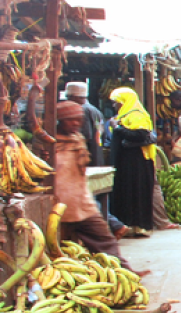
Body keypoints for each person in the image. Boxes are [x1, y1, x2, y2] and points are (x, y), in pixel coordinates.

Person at [54, 101, 146, 274]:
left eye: (78, 120)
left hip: (81, 202)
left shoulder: (77, 139)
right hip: (59, 205)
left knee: (105, 241)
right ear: (60, 121)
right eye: (70, 120)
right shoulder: (50, 144)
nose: (75, 124)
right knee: (60, 248)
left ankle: (125, 272)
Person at [108, 87, 158, 234]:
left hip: (138, 161)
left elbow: (140, 135)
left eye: (116, 102)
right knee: (127, 193)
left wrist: (117, 128)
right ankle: (129, 225)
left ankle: (139, 226)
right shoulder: (124, 115)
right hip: (126, 161)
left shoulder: (137, 115)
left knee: (137, 192)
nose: (114, 105)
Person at [64, 82, 104, 167]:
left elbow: (85, 135)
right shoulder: (96, 110)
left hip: (86, 156)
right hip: (97, 154)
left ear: (74, 97)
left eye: (69, 98)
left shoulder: (82, 110)